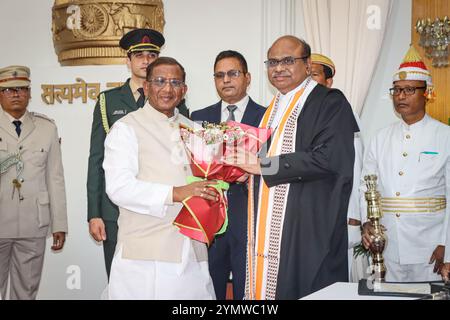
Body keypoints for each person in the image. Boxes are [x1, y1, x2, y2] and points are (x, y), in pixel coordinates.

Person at [227, 36, 359, 299]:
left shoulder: (329, 102)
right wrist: (244, 173)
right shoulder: (272, 109)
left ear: (308, 64)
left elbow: (329, 159)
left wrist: (263, 166)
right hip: (270, 226)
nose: (279, 68)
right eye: (273, 62)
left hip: (309, 226)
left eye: (288, 60)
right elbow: (262, 166)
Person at [103, 57, 217, 299]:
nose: (168, 89)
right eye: (160, 81)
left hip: (191, 248)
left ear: (184, 90)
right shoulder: (126, 128)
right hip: (145, 254)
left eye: (175, 82)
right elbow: (119, 188)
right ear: (146, 88)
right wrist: (175, 193)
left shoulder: (194, 130)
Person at [361, 45, 450, 282]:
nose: (400, 96)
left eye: (409, 90)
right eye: (397, 90)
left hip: (430, 248)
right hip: (387, 246)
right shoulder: (380, 137)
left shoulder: (445, 136)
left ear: (427, 92)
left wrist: (447, 246)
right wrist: (367, 224)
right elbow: (365, 186)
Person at [87, 28, 169, 279]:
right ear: (128, 60)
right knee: (119, 280)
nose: (146, 61)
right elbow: (96, 159)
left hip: (158, 207)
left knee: (155, 281)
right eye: (139, 55)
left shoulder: (169, 98)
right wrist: (94, 213)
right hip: (115, 210)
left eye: (152, 55)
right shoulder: (108, 101)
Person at [191, 50, 265, 300]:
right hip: (211, 218)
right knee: (210, 288)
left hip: (250, 218)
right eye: (219, 75)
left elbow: (274, 166)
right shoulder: (199, 118)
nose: (226, 80)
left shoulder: (266, 116)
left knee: (248, 289)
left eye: (233, 73)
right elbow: (192, 168)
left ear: (247, 77)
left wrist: (252, 172)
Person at [0, 65, 67, 299]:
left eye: (21, 89)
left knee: (26, 291)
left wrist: (59, 224)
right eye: (9, 90)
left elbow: (55, 178)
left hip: (33, 224)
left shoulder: (46, 128)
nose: (16, 94)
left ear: (30, 93)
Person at [311, 53, 367, 282]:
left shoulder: (340, 111)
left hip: (341, 215)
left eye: (313, 75)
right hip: (314, 216)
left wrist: (353, 215)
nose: (308, 81)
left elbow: (355, 167)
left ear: (328, 82)